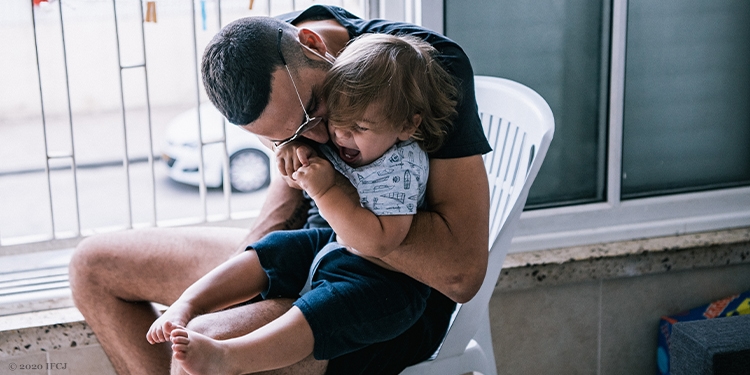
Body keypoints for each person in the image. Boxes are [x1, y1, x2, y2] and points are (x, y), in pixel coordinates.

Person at [68, 5, 491, 375]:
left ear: (312, 45)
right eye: (291, 136)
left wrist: (332, 195)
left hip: (385, 297)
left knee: (206, 340)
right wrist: (249, 269)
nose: (326, 135)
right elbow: (285, 205)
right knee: (92, 268)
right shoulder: (273, 73)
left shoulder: (423, 68)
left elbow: (461, 275)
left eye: (314, 114)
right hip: (318, 248)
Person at [145, 33, 459, 375]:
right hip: (337, 245)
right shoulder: (363, 136)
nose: (337, 137)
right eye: (337, 119)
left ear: (406, 125)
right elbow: (318, 153)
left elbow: (379, 241)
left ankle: (231, 357)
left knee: (322, 312)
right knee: (274, 249)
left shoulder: (403, 167)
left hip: (384, 285)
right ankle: (188, 303)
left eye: (358, 127)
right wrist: (292, 151)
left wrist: (325, 193)